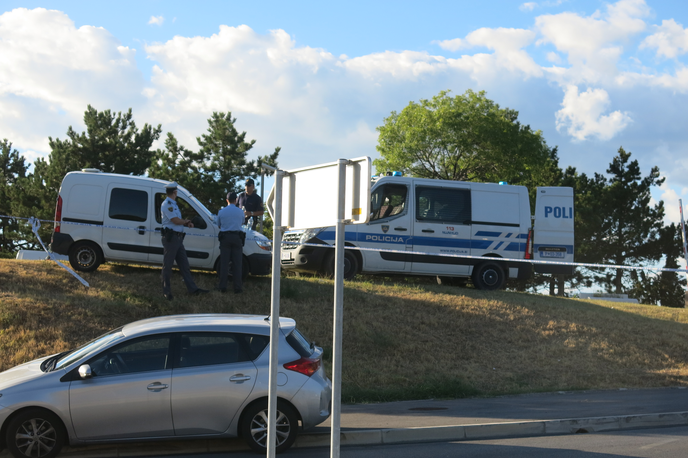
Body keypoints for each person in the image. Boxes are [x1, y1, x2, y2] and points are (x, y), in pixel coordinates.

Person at [160, 182, 209, 300]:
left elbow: (178, 221)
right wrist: (186, 221)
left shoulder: (174, 205)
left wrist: (187, 223)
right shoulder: (167, 204)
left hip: (178, 238)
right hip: (171, 239)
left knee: (184, 264)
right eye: (176, 191)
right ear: (175, 192)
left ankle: (192, 289)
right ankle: (166, 292)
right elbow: (176, 220)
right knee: (167, 266)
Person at [216, 192, 245, 294]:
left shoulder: (221, 211)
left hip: (225, 238)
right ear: (236, 200)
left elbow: (218, 224)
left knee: (224, 263)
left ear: (226, 200)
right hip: (237, 237)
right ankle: (237, 288)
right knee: (237, 263)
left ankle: (222, 286)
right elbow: (242, 222)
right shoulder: (240, 212)